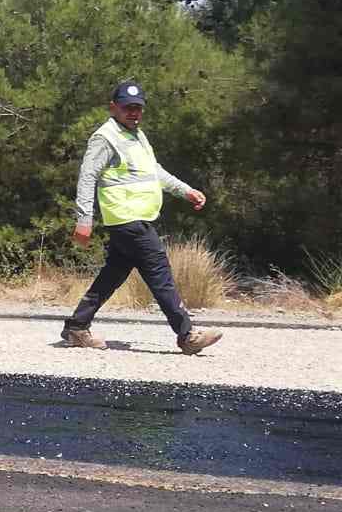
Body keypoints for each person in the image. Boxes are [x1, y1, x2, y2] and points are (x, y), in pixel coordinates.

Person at [62, 81, 223, 355]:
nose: (133, 113)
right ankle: (187, 335)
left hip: (135, 219)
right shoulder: (106, 138)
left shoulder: (136, 135)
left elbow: (154, 172)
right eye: (127, 107)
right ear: (114, 108)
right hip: (127, 219)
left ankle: (77, 326)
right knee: (159, 273)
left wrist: (186, 191)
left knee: (112, 275)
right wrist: (84, 219)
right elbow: (87, 177)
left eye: (137, 108)